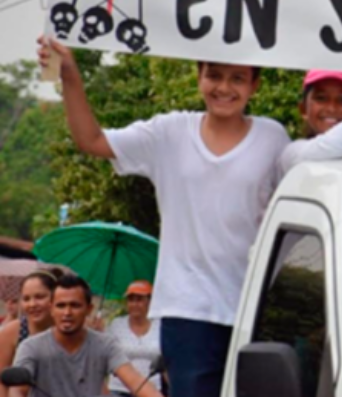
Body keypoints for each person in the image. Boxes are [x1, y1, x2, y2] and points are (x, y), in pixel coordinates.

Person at [38, 37, 291, 397]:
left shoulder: (273, 137)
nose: (223, 87)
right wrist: (70, 77)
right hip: (188, 309)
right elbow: (91, 140)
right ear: (199, 77)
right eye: (214, 75)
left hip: (254, 308)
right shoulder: (169, 133)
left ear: (255, 85)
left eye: (237, 78)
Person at [10, 274, 161, 397]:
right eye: (61, 306)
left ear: (89, 309)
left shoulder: (105, 345)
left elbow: (135, 381)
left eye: (75, 305)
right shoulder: (31, 346)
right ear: (51, 309)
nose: (67, 313)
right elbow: (17, 389)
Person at [0, 270, 62, 397]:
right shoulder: (12, 332)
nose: (32, 304)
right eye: (26, 299)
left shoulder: (68, 330)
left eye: (39, 297)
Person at [106, 281, 161, 397]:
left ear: (150, 301)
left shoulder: (159, 326)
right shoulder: (116, 325)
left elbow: (166, 360)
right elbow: (106, 355)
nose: (135, 304)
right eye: (131, 300)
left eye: (139, 299)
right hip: (119, 389)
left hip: (151, 390)